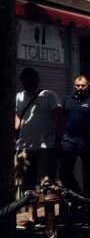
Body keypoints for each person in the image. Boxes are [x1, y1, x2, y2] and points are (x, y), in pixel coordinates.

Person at [14, 67, 63, 227]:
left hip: (45, 146)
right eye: (24, 80)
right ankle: (32, 217)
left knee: (46, 184)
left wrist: (58, 141)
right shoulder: (19, 97)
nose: (27, 83)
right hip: (24, 146)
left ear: (37, 80)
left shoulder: (49, 95)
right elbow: (17, 119)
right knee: (27, 185)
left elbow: (59, 119)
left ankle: (51, 216)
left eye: (30, 79)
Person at [59, 75, 90, 208]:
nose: (80, 88)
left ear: (89, 85)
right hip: (70, 139)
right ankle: (77, 197)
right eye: (78, 85)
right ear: (74, 85)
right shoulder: (67, 100)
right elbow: (62, 119)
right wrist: (61, 137)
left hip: (88, 140)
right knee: (64, 170)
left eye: (83, 85)